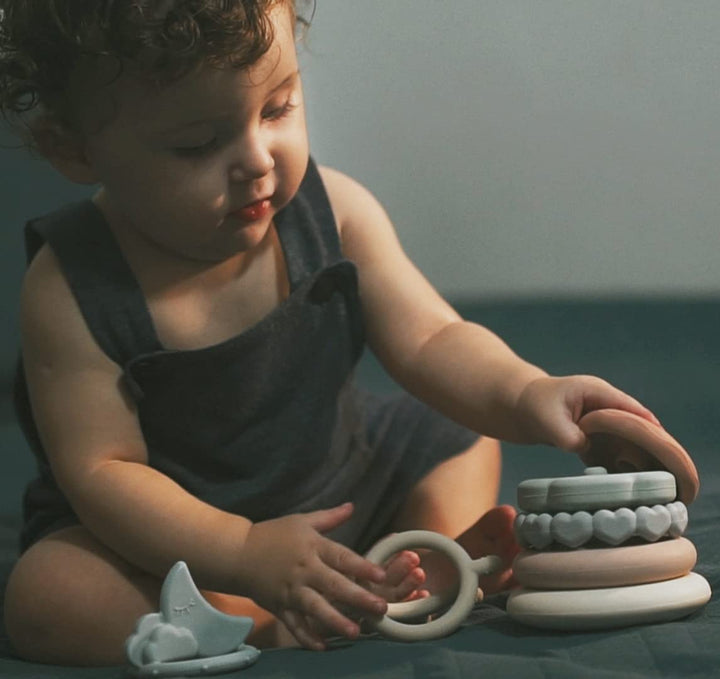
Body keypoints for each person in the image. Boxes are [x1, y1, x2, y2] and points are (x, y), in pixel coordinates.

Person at [0, 0, 660, 666]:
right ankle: (257, 621)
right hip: (172, 545)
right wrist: (244, 553)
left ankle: (413, 568)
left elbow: (432, 339)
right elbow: (104, 471)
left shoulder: (334, 213)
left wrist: (525, 392)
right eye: (197, 144)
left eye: (278, 107)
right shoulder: (69, 288)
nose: (257, 159)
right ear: (74, 148)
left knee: (459, 438)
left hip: (344, 486)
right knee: (46, 592)